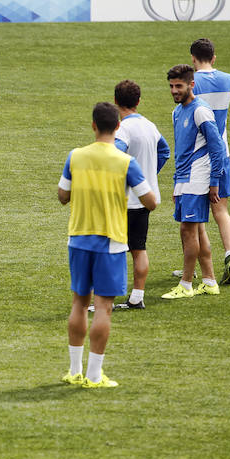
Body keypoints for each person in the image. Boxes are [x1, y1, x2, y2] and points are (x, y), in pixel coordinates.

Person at [58, 103, 156, 388]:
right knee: (103, 308)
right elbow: (150, 201)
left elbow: (63, 195)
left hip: (78, 239)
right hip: (111, 242)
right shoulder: (125, 162)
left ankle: (74, 370)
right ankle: (93, 375)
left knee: (79, 303)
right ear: (117, 127)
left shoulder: (75, 156)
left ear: (92, 125)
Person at [162, 64, 226, 300]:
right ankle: (209, 281)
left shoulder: (201, 110)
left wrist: (214, 182)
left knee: (188, 231)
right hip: (184, 180)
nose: (174, 91)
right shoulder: (177, 112)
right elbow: (182, 150)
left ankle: (186, 284)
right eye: (171, 86)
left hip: (198, 179)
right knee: (197, 231)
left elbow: (217, 146)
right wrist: (176, 183)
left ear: (191, 85)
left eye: (179, 86)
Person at [112, 79, 171, 310]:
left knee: (112, 250)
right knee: (139, 248)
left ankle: (104, 299)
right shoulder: (150, 125)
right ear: (138, 101)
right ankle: (137, 297)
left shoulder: (123, 129)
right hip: (145, 199)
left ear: (116, 101)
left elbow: (115, 156)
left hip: (125, 200)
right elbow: (164, 151)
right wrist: (146, 177)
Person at [190, 38, 230, 285]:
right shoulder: (228, 80)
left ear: (193, 58)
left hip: (200, 154)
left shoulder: (192, 83)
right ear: (214, 57)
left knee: (195, 216)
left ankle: (193, 266)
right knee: (221, 211)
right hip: (224, 153)